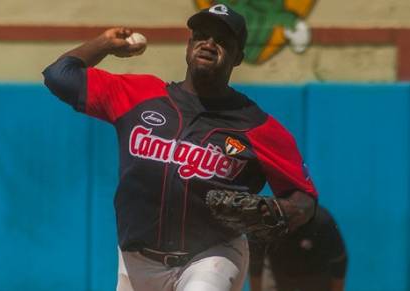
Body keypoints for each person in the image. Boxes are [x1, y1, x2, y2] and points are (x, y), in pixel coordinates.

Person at [43, 4, 318, 291]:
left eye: (222, 40)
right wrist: (104, 44)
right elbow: (59, 75)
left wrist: (282, 210)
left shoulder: (258, 126)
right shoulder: (139, 96)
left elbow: (305, 199)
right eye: (201, 35)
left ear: (238, 57)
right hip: (136, 260)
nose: (209, 44)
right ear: (188, 46)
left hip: (212, 255)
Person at [249, 206, 348, 291]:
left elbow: (339, 262)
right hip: (277, 274)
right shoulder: (267, 221)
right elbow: (255, 262)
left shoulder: (322, 222)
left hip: (315, 275)